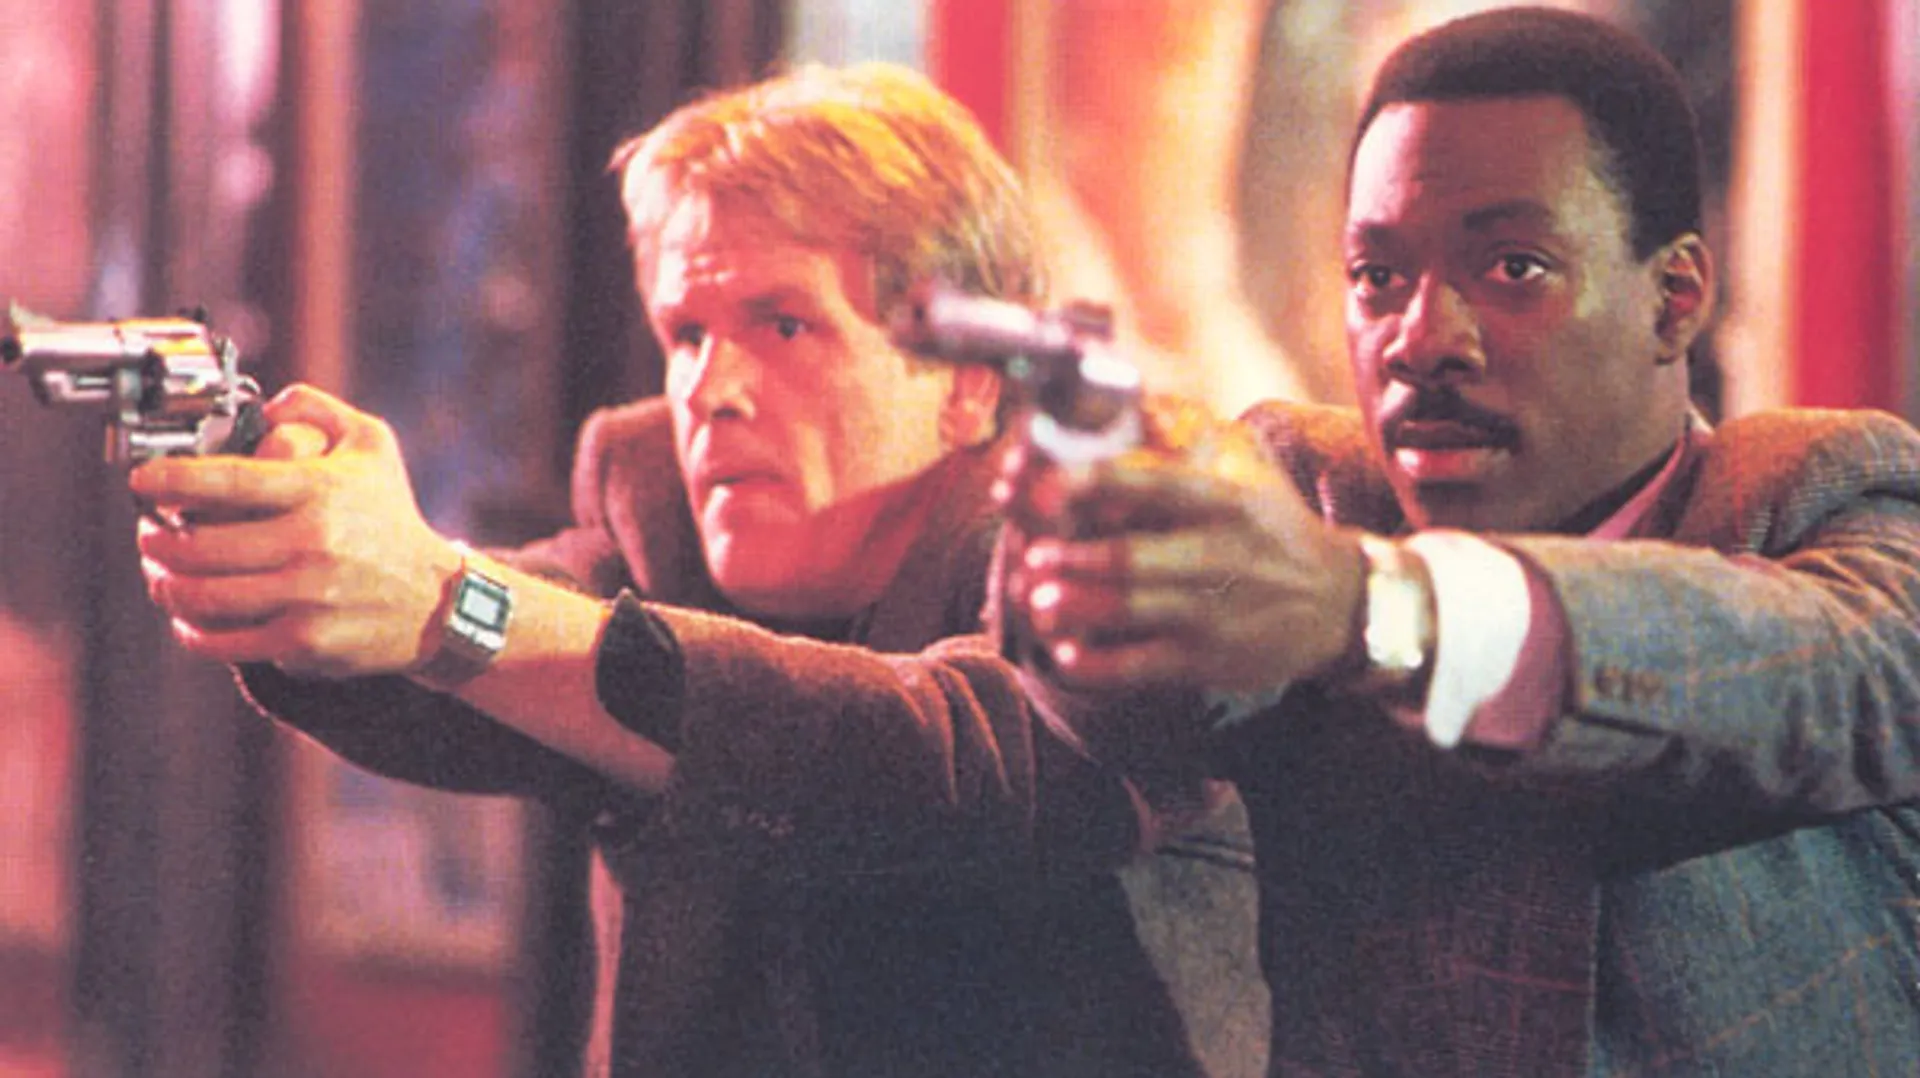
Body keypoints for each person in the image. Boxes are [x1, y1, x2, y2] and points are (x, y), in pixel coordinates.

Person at [130, 64, 1266, 1077]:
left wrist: (442, 602)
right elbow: (488, 674)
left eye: (783, 325)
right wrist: (297, 565)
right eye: (686, 334)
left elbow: (943, 762)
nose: (710, 391)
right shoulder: (654, 502)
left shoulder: (1127, 538)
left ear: (969, 381)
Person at [1006, 8, 1920, 1076]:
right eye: (1376, 277)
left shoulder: (1824, 490)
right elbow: (1098, 737)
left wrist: (1383, 612)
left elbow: (1839, 681)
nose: (1422, 341)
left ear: (1675, 300)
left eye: (1514, 268)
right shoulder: (1313, 494)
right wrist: (1081, 566)